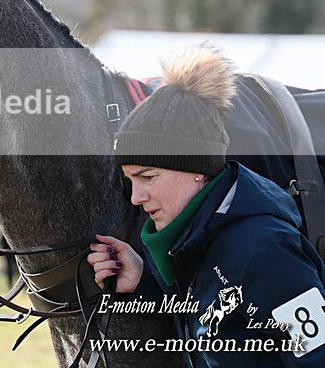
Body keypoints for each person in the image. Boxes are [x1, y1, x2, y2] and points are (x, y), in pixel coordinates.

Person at [87, 45, 325, 367]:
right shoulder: (195, 239)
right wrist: (144, 282)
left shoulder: (265, 249)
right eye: (131, 180)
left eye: (148, 177)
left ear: (196, 169)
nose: (136, 197)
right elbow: (214, 319)